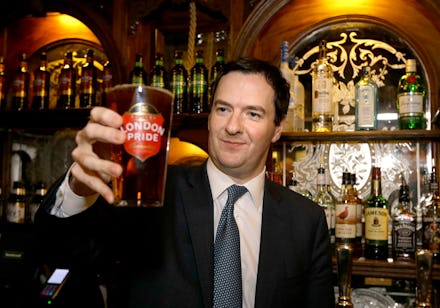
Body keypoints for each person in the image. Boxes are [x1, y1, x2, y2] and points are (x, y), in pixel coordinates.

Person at [35, 57, 334, 308]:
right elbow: (61, 253)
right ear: (209, 116)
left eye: (252, 114)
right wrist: (79, 187)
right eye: (223, 109)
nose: (232, 126)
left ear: (277, 128)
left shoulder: (306, 220)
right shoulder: (153, 194)